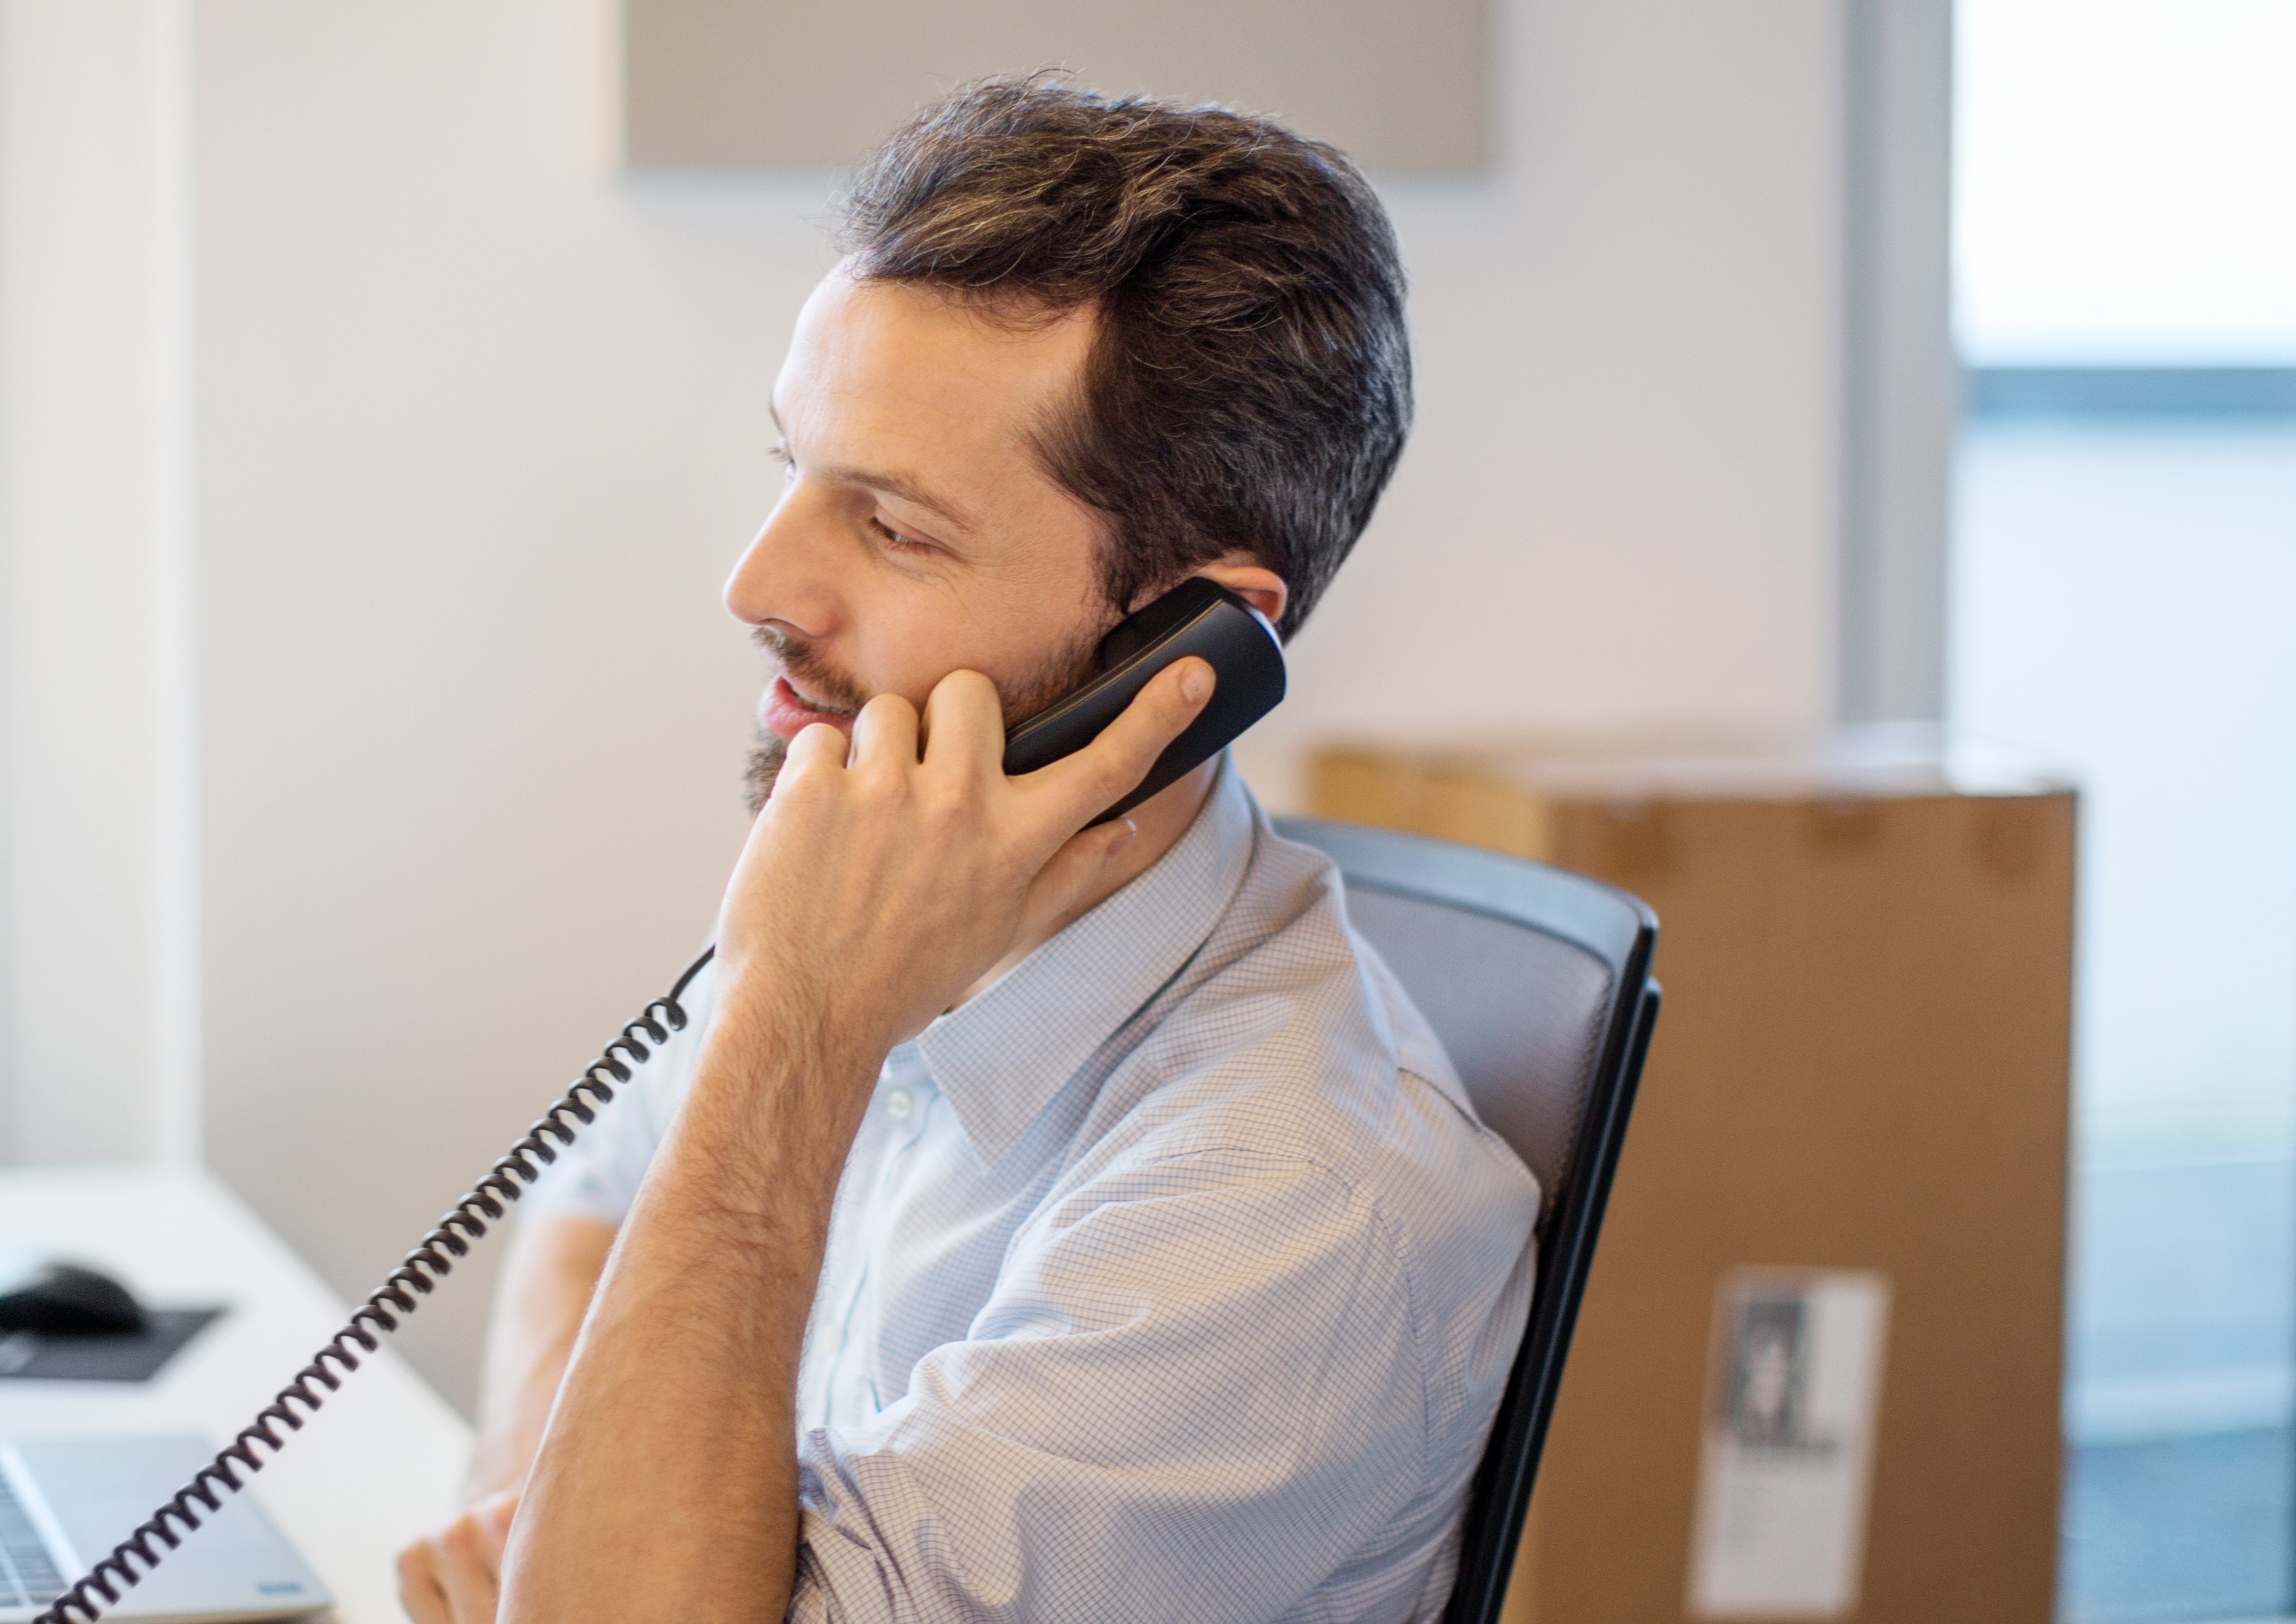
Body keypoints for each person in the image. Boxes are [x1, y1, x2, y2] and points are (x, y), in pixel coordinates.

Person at [396, 76, 1538, 1624]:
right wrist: (536, 1511)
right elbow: (599, 1198)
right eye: (792, 466)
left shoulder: (1279, 1213)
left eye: (894, 526)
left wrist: (796, 1027)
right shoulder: (909, 902)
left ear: (1181, 649)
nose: (757, 580)